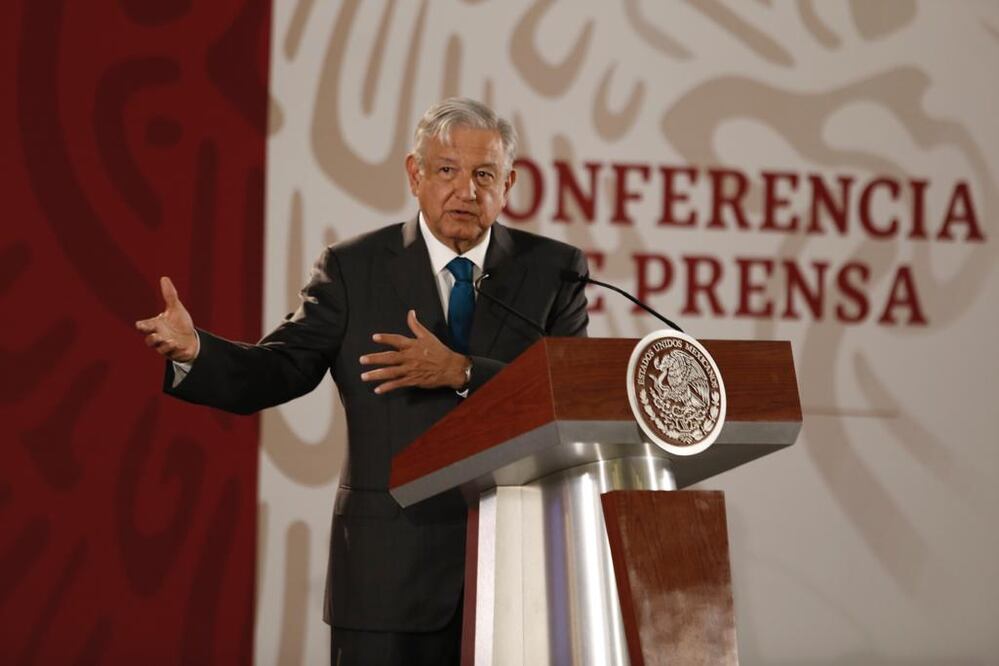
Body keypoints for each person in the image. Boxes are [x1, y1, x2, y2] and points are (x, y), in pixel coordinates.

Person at [135, 97, 589, 665]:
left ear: (509, 183)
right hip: (386, 579)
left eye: (484, 175)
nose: (466, 191)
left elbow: (572, 396)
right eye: (447, 170)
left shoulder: (555, 271)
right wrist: (197, 350)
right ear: (415, 174)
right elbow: (280, 369)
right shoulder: (355, 269)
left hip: (520, 576)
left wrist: (463, 371)